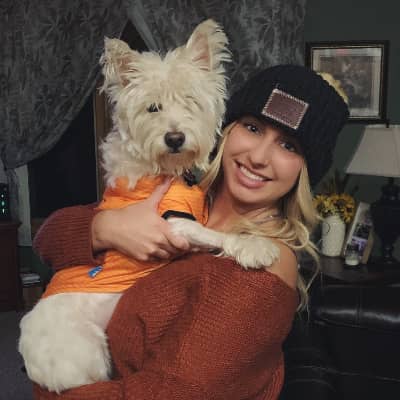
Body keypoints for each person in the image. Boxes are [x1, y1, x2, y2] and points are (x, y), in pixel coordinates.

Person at [32, 64, 349, 400]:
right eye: (253, 128)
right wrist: (105, 228)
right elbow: (47, 240)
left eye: (289, 146)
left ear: (304, 170)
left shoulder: (262, 266)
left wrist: (52, 391)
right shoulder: (184, 195)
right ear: (226, 129)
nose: (259, 157)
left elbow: (176, 392)